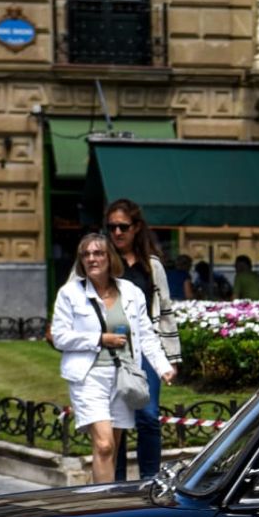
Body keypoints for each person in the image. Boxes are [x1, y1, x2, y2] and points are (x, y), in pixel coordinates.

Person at [51, 232, 176, 485]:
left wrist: (163, 366)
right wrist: (99, 339)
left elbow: (146, 335)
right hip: (88, 376)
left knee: (113, 447)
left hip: (123, 375)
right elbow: (59, 337)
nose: (92, 259)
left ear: (109, 258)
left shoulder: (131, 292)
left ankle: (105, 498)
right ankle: (101, 506)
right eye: (86, 254)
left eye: (98, 253)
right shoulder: (70, 293)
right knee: (105, 444)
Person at [104, 198, 179, 482]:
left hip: (146, 347)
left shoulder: (152, 265)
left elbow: (165, 309)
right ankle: (118, 483)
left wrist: (171, 356)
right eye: (111, 227)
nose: (117, 233)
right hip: (113, 347)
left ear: (136, 228)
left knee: (148, 415)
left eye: (123, 226)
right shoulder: (103, 262)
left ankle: (150, 480)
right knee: (116, 419)